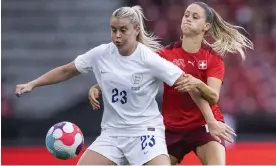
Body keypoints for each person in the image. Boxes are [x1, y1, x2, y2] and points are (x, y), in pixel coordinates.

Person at [15, 5, 228, 166]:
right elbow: (67, 70)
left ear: (136, 30)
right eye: (113, 30)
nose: (117, 36)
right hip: (112, 135)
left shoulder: (151, 59)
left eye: (122, 30)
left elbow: (189, 85)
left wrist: (210, 120)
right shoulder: (100, 54)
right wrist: (33, 84)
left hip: (146, 133)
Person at [88, 2, 253, 165]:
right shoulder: (165, 55)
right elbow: (131, 73)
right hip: (171, 128)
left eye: (195, 17)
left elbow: (213, 97)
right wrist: (100, 85)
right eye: (186, 15)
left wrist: (197, 83)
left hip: (205, 126)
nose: (187, 19)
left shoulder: (213, 58)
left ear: (206, 26)